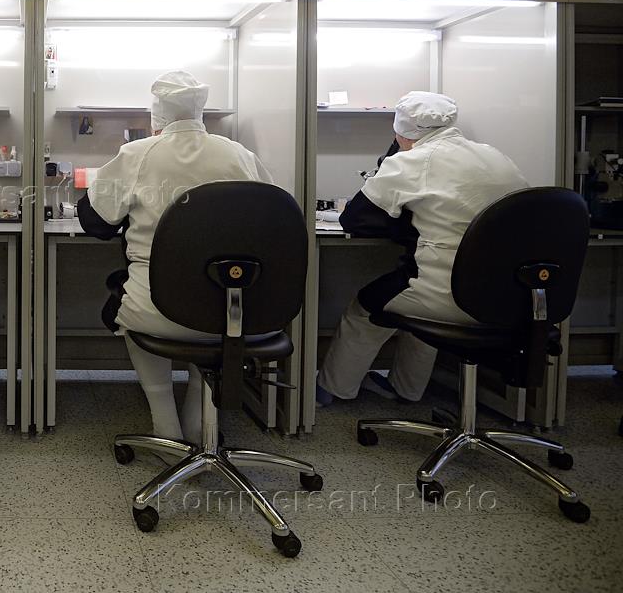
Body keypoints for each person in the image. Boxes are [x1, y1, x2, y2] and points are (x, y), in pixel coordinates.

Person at [77, 71, 273, 441]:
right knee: (209, 319)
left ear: (156, 118)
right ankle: (200, 423)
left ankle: (165, 425)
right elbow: (275, 216)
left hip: (157, 305)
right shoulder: (240, 155)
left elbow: (95, 223)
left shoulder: (137, 154)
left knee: (132, 307)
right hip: (233, 304)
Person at [317, 91, 528, 406]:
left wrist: (394, 161)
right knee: (422, 306)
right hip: (510, 293)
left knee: (365, 309)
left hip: (446, 294)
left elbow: (354, 219)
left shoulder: (411, 161)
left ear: (401, 133)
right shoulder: (494, 156)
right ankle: (407, 389)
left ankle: (333, 389)